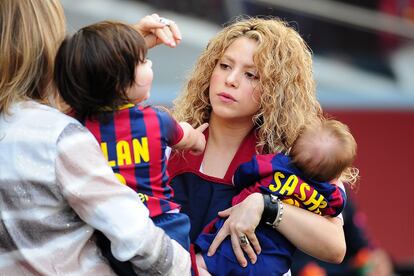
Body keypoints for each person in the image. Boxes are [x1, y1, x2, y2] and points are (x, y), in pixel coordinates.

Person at [0, 0, 190, 274]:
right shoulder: (60, 136)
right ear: (44, 46)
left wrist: (119, 51)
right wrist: (186, 268)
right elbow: (135, 235)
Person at [167, 16, 348, 275]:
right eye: (225, 65)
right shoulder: (168, 137)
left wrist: (266, 206)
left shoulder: (297, 155)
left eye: (251, 75)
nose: (231, 80)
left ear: (276, 90)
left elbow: (335, 247)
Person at [54, 20, 208, 275]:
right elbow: (188, 137)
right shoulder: (158, 121)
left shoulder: (77, 125)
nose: (151, 63)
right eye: (142, 61)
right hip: (163, 224)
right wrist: (198, 141)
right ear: (120, 80)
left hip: (104, 228)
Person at [194, 118, 359, 275]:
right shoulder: (330, 193)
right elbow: (336, 206)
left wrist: (256, 196)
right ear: (335, 177)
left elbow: (246, 172)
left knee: (195, 264)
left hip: (231, 246)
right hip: (273, 261)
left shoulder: (277, 164)